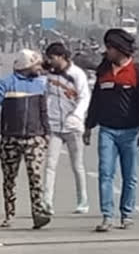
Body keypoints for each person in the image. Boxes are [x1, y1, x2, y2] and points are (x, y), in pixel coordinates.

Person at [85, 29, 139, 232]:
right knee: (105, 173)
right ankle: (107, 215)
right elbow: (96, 100)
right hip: (107, 131)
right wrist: (89, 126)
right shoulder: (103, 71)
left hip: (130, 133)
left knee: (129, 176)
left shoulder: (137, 72)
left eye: (110, 48)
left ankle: (127, 214)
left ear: (120, 49)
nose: (108, 51)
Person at [0, 50, 51, 229]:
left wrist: (46, 134)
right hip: (9, 139)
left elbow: (43, 111)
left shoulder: (39, 84)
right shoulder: (6, 84)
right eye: (36, 65)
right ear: (26, 66)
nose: (39, 68)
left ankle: (38, 213)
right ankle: (9, 214)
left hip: (34, 138)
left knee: (36, 177)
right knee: (9, 178)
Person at [42, 42, 91, 216]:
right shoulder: (49, 75)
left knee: (77, 166)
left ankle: (82, 201)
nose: (50, 61)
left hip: (73, 126)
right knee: (50, 165)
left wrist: (77, 116)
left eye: (52, 58)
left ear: (61, 56)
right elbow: (45, 95)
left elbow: (84, 98)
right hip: (54, 125)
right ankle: (47, 201)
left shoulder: (77, 74)